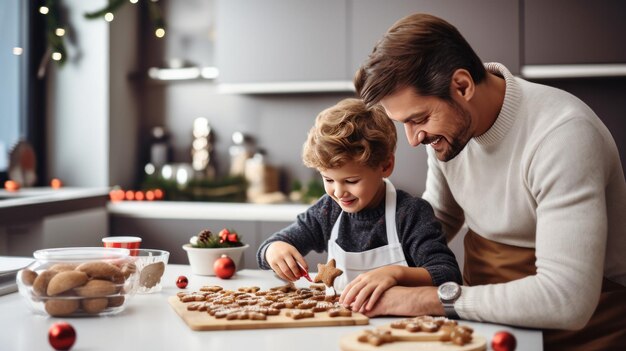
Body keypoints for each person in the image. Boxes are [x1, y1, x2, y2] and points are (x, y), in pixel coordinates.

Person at [348, 12, 626, 350]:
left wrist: (427, 299)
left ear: (462, 86)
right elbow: (440, 220)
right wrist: (385, 271)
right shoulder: (446, 133)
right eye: (403, 123)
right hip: (484, 320)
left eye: (418, 118)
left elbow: (566, 299)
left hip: (582, 333)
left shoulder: (562, 135)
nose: (412, 139)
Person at [256, 98, 462, 309]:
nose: (338, 192)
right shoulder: (328, 210)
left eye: (351, 181)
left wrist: (395, 273)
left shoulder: (410, 213)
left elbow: (448, 275)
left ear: (386, 165)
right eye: (328, 179)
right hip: (340, 324)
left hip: (399, 326)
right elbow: (269, 249)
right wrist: (274, 250)